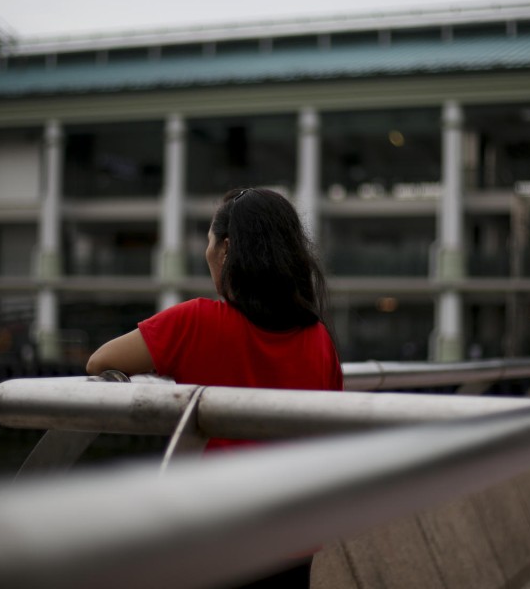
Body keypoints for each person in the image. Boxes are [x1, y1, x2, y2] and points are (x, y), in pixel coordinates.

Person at [85, 187, 342, 589]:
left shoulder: (196, 323)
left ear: (226, 250)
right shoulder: (319, 339)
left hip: (216, 533)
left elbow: (99, 362)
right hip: (294, 533)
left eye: (208, 241)